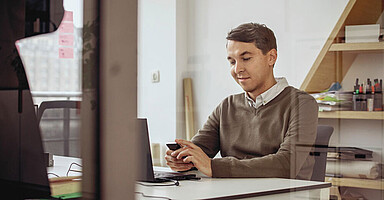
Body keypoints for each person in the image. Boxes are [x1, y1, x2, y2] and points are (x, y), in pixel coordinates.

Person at [165, 22, 318, 180]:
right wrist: (182, 158)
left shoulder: (302, 104)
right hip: (233, 193)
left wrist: (214, 166)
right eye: (232, 62)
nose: (237, 69)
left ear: (271, 57)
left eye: (246, 58)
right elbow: (199, 151)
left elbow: (287, 165)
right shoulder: (227, 106)